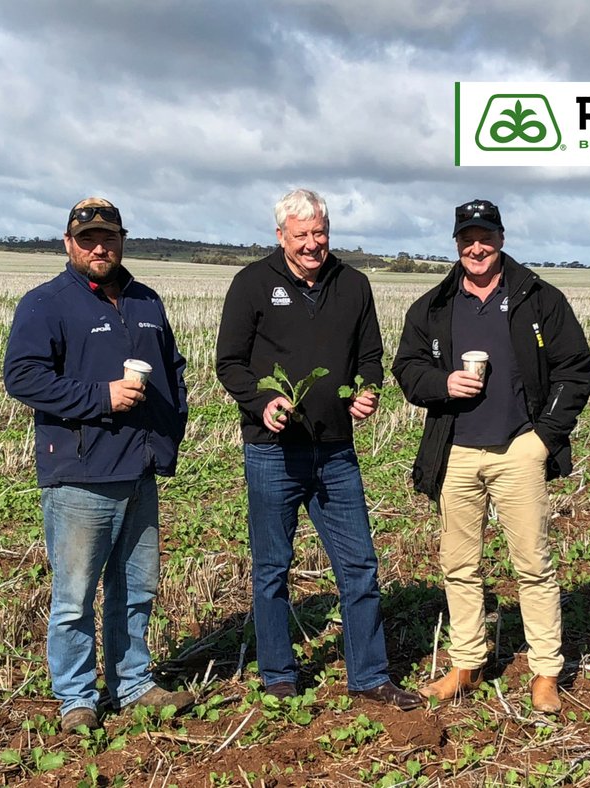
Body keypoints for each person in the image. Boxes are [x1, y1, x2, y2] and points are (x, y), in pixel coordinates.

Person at [216, 188, 422, 711]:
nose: (312, 244)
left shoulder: (352, 285)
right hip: (272, 452)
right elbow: (230, 363)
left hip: (335, 452)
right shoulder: (252, 285)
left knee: (360, 567)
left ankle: (370, 676)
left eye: (320, 233)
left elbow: (371, 356)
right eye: (301, 235)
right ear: (280, 235)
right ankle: (279, 676)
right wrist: (262, 400)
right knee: (272, 568)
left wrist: (368, 389)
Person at [392, 199, 590, 712]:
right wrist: (442, 382)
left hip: (518, 451)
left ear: (500, 239)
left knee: (533, 564)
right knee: (459, 564)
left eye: (485, 237)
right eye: (467, 238)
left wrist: (544, 436)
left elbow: (575, 369)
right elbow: (407, 369)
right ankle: (466, 663)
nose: (476, 247)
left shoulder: (538, 299)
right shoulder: (434, 305)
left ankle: (546, 671)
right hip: (455, 451)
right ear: (456, 243)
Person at [3, 197, 192, 733]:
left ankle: (133, 683)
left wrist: (169, 432)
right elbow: (24, 377)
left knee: (137, 589)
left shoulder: (146, 301)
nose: (99, 247)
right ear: (68, 243)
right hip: (81, 474)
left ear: (122, 240)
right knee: (75, 596)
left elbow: (173, 372)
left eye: (108, 237)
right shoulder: (46, 304)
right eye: (87, 239)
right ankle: (76, 697)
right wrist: (101, 398)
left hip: (140, 470)